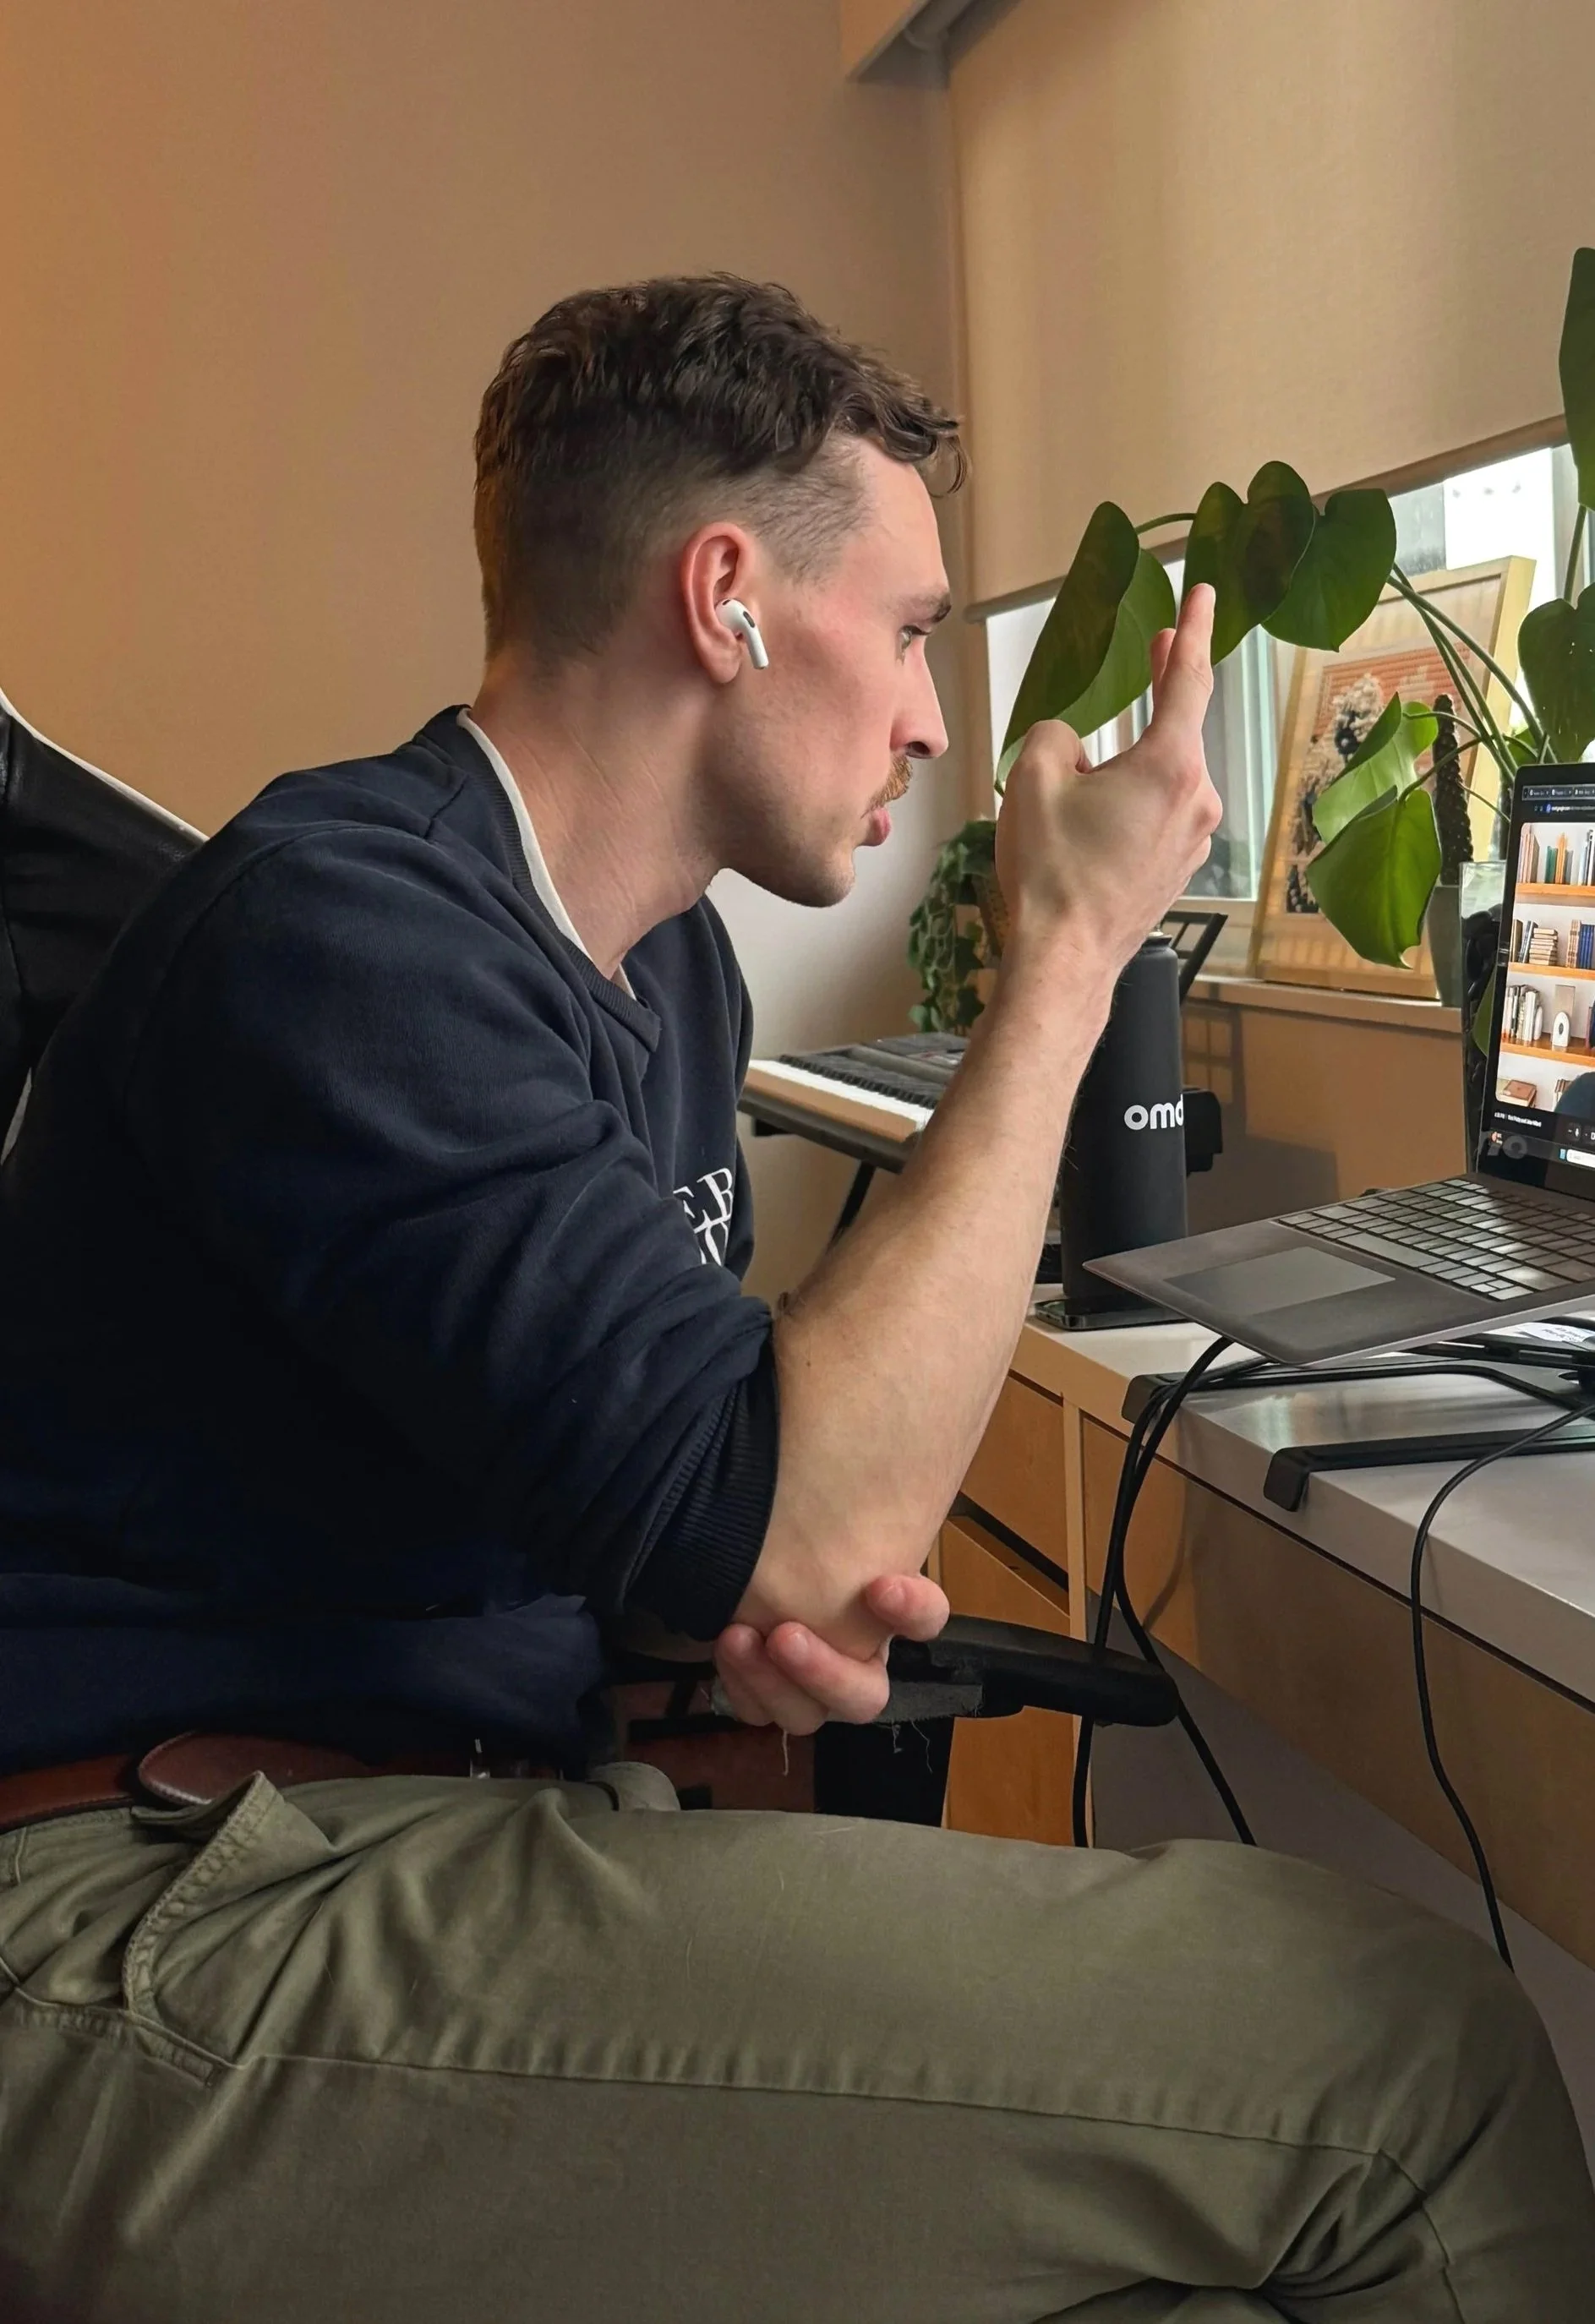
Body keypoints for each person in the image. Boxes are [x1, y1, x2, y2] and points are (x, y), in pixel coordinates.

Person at [0, 275, 1590, 2324]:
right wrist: (1069, 959)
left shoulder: (665, 972)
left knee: (1189, 2276)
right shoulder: (344, 938)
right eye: (912, 631)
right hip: (140, 1918)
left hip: (404, 1821)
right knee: (1408, 2069)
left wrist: (708, 1605)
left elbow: (684, 1490)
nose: (932, 717)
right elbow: (812, 1509)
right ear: (727, 599)